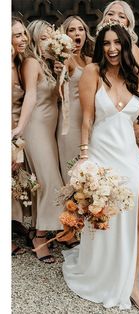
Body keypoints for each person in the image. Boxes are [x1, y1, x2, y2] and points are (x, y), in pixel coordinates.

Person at [62, 21, 139, 311]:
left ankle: (131, 283)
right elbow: (87, 118)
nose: (112, 48)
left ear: (125, 45)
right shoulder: (92, 72)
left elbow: (137, 124)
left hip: (128, 153)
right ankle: (111, 274)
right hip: (102, 153)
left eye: (117, 43)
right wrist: (84, 157)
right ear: (100, 46)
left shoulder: (132, 74)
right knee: (111, 219)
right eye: (106, 43)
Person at [12, 19, 64, 263]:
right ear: (34, 40)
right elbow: (31, 95)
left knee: (44, 180)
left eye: (50, 37)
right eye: (42, 38)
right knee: (47, 180)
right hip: (35, 127)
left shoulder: (47, 63)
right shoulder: (32, 63)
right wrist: (20, 129)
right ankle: (39, 235)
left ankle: (39, 227)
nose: (48, 42)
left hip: (49, 128)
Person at [97, 0, 139, 154]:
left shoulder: (132, 49)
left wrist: (136, 119)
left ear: (129, 23)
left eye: (121, 16)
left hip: (133, 109)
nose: (114, 18)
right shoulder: (99, 46)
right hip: (109, 111)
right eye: (110, 13)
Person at [56, 16, 94, 186]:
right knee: (73, 172)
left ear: (85, 33)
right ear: (65, 35)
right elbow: (59, 85)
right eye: (72, 30)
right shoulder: (66, 60)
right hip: (71, 122)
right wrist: (59, 70)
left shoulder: (90, 60)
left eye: (80, 29)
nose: (77, 33)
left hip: (90, 120)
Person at [11, 16, 30, 256]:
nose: (24, 38)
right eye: (17, 35)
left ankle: (13, 222)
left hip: (16, 126)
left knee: (14, 180)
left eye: (24, 33)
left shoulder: (19, 62)